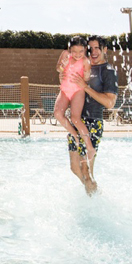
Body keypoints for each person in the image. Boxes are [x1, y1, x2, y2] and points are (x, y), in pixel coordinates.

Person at [66, 35, 118, 195]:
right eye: (91, 48)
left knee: (86, 170)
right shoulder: (83, 64)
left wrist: (86, 87)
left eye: (97, 48)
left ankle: (95, 199)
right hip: (76, 121)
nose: (93, 52)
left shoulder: (108, 71)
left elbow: (110, 103)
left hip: (92, 122)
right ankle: (95, 194)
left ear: (105, 49)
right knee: (75, 168)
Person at [53, 36, 94, 154]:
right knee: (57, 113)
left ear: (85, 50)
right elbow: (58, 69)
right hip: (65, 89)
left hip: (77, 91)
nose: (77, 54)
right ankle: (75, 135)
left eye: (81, 51)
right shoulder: (65, 54)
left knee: (75, 118)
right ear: (70, 49)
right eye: (74, 51)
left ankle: (90, 148)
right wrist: (62, 66)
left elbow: (86, 80)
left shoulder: (85, 61)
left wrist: (86, 74)